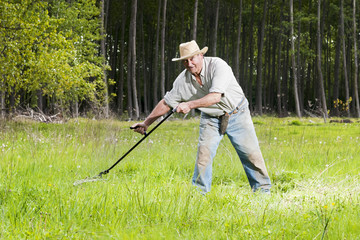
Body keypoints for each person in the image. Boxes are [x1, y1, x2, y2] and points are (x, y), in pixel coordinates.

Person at [131, 40, 271, 194]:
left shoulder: (218, 66)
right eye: (185, 60)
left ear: (201, 55)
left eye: (192, 58)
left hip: (237, 113)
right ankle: (199, 195)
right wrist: (146, 123)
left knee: (250, 154)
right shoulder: (182, 80)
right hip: (210, 118)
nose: (189, 63)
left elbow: (215, 97)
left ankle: (262, 192)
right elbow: (166, 103)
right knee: (203, 158)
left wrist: (189, 105)